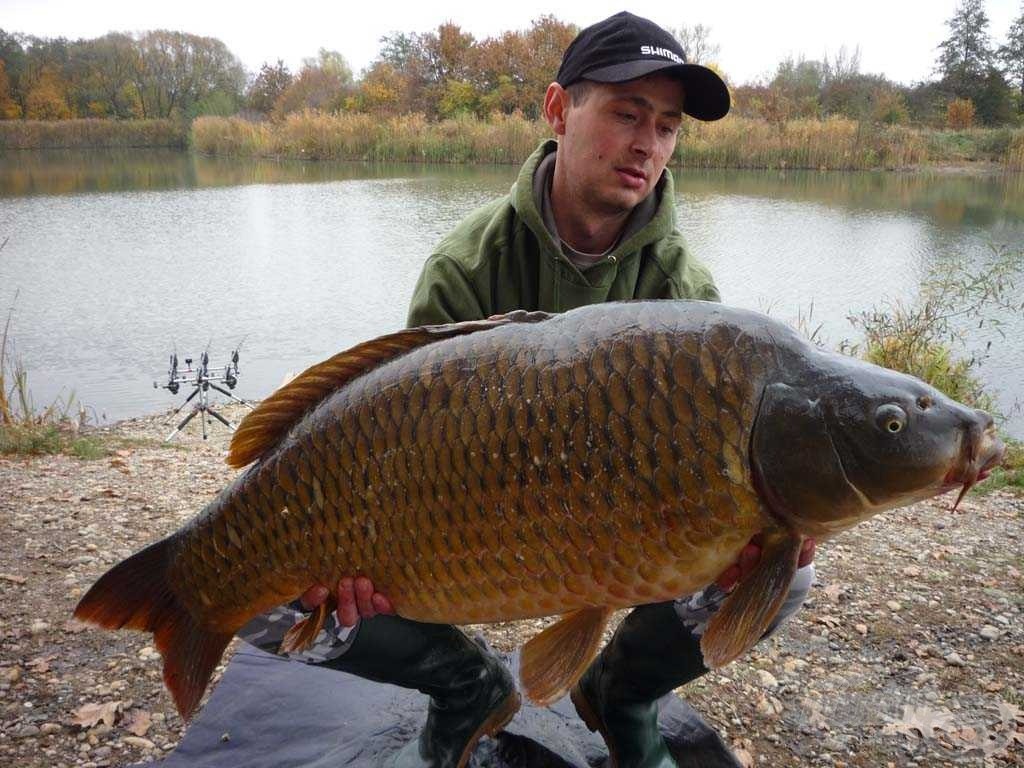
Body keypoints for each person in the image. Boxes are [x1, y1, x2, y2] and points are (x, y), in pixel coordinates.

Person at [238, 12, 816, 768]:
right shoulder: (464, 267)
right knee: (269, 599)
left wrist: (754, 535)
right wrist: (355, 555)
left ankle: (624, 694)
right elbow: (392, 440)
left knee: (791, 569)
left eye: (668, 126)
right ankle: (464, 686)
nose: (648, 145)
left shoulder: (685, 294)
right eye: (626, 113)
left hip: (633, 532)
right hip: (459, 532)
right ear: (558, 110)